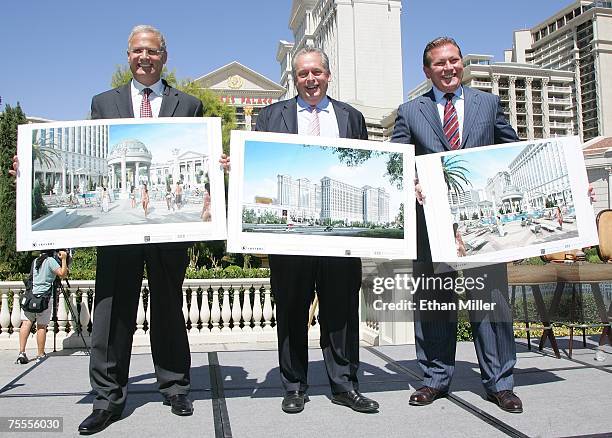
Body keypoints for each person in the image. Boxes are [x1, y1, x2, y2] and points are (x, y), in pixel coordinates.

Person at [76, 25, 203, 434]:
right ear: (128, 56)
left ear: (165, 55)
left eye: (151, 51)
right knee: (113, 311)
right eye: (137, 51)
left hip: (168, 235)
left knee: (168, 306)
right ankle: (108, 399)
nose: (144, 57)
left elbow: (201, 151)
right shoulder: (103, 102)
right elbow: (94, 153)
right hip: (118, 235)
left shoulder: (190, 105)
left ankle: (176, 387)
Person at [391, 37, 523, 413]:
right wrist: (411, 183)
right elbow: (398, 162)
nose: (448, 68)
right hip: (430, 227)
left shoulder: (488, 103)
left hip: (479, 225)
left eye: (453, 61)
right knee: (434, 304)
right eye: (439, 63)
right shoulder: (409, 111)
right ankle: (434, 379)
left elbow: (509, 150)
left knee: (490, 303)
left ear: (461, 63)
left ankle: (501, 383)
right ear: (427, 70)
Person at [251, 47, 378, 414]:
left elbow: (367, 166)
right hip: (290, 239)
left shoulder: (351, 117)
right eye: (303, 73)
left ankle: (344, 385)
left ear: (328, 74)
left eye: (317, 72)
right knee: (291, 312)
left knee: (340, 312)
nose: (311, 79)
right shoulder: (270, 116)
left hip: (340, 240)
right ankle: (294, 386)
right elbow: (259, 169)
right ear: (294, 78)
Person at [16, 250, 68, 364]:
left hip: (30, 297)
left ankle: (21, 352)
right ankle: (40, 354)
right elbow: (63, 274)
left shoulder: (35, 261)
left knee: (26, 323)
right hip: (44, 298)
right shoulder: (51, 261)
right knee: (41, 326)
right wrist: (64, 259)